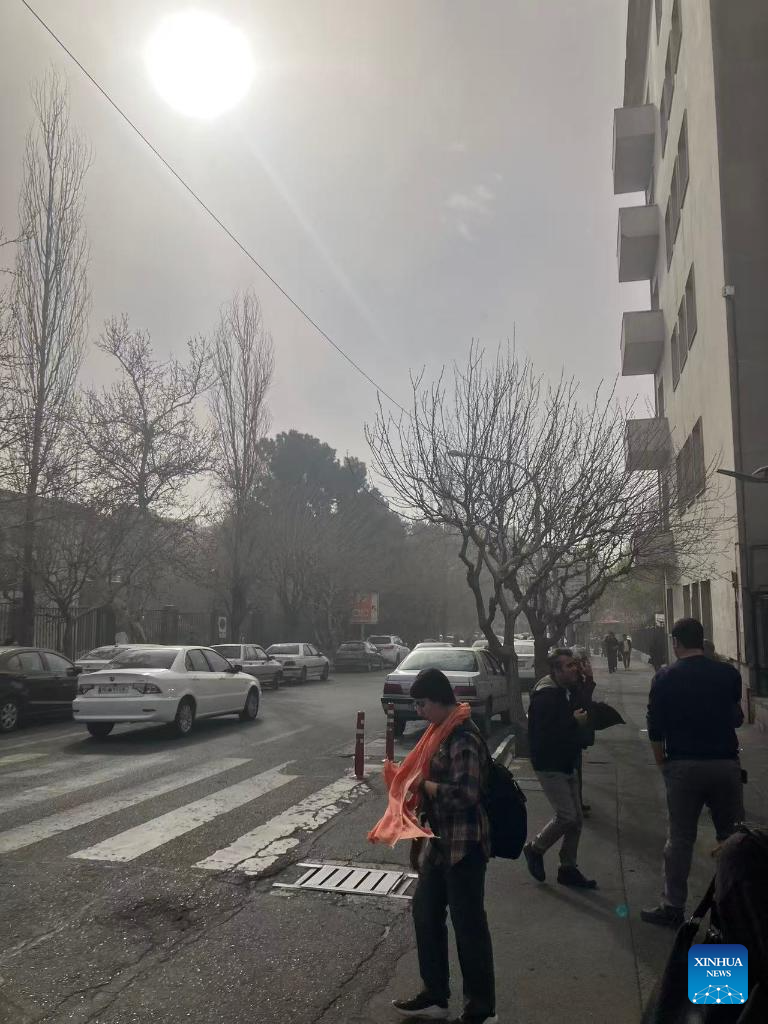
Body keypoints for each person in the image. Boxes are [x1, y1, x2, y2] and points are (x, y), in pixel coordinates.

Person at [389, 669, 497, 1024]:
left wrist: (426, 786)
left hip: (464, 845)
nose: (419, 711)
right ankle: (435, 995)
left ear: (439, 700)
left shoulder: (462, 737)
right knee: (425, 914)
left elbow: (466, 795)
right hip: (439, 843)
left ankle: (481, 1008)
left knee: (468, 928)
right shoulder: (439, 731)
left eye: (422, 704)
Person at [641, 617, 745, 928]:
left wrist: (662, 762)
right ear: (701, 640)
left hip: (683, 765)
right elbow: (736, 718)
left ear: (675, 642)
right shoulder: (728, 674)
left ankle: (673, 905)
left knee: (680, 838)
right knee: (732, 838)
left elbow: (655, 726)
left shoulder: (665, 678)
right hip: (725, 763)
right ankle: (733, 908)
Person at [523, 648, 597, 889]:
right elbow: (546, 734)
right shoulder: (546, 696)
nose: (574, 669)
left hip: (567, 760)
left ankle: (568, 868)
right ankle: (535, 848)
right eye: (569, 666)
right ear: (556, 670)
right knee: (567, 816)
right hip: (549, 764)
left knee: (576, 820)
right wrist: (572, 721)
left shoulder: (568, 688)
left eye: (575, 664)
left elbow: (583, 707)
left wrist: (588, 680)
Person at [571, 647, 597, 815]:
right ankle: (575, 805)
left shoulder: (578, 679)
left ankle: (577, 802)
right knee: (574, 771)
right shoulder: (573, 682)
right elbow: (583, 700)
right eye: (581, 662)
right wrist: (590, 678)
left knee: (577, 771)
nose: (584, 665)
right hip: (571, 733)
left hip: (577, 731)